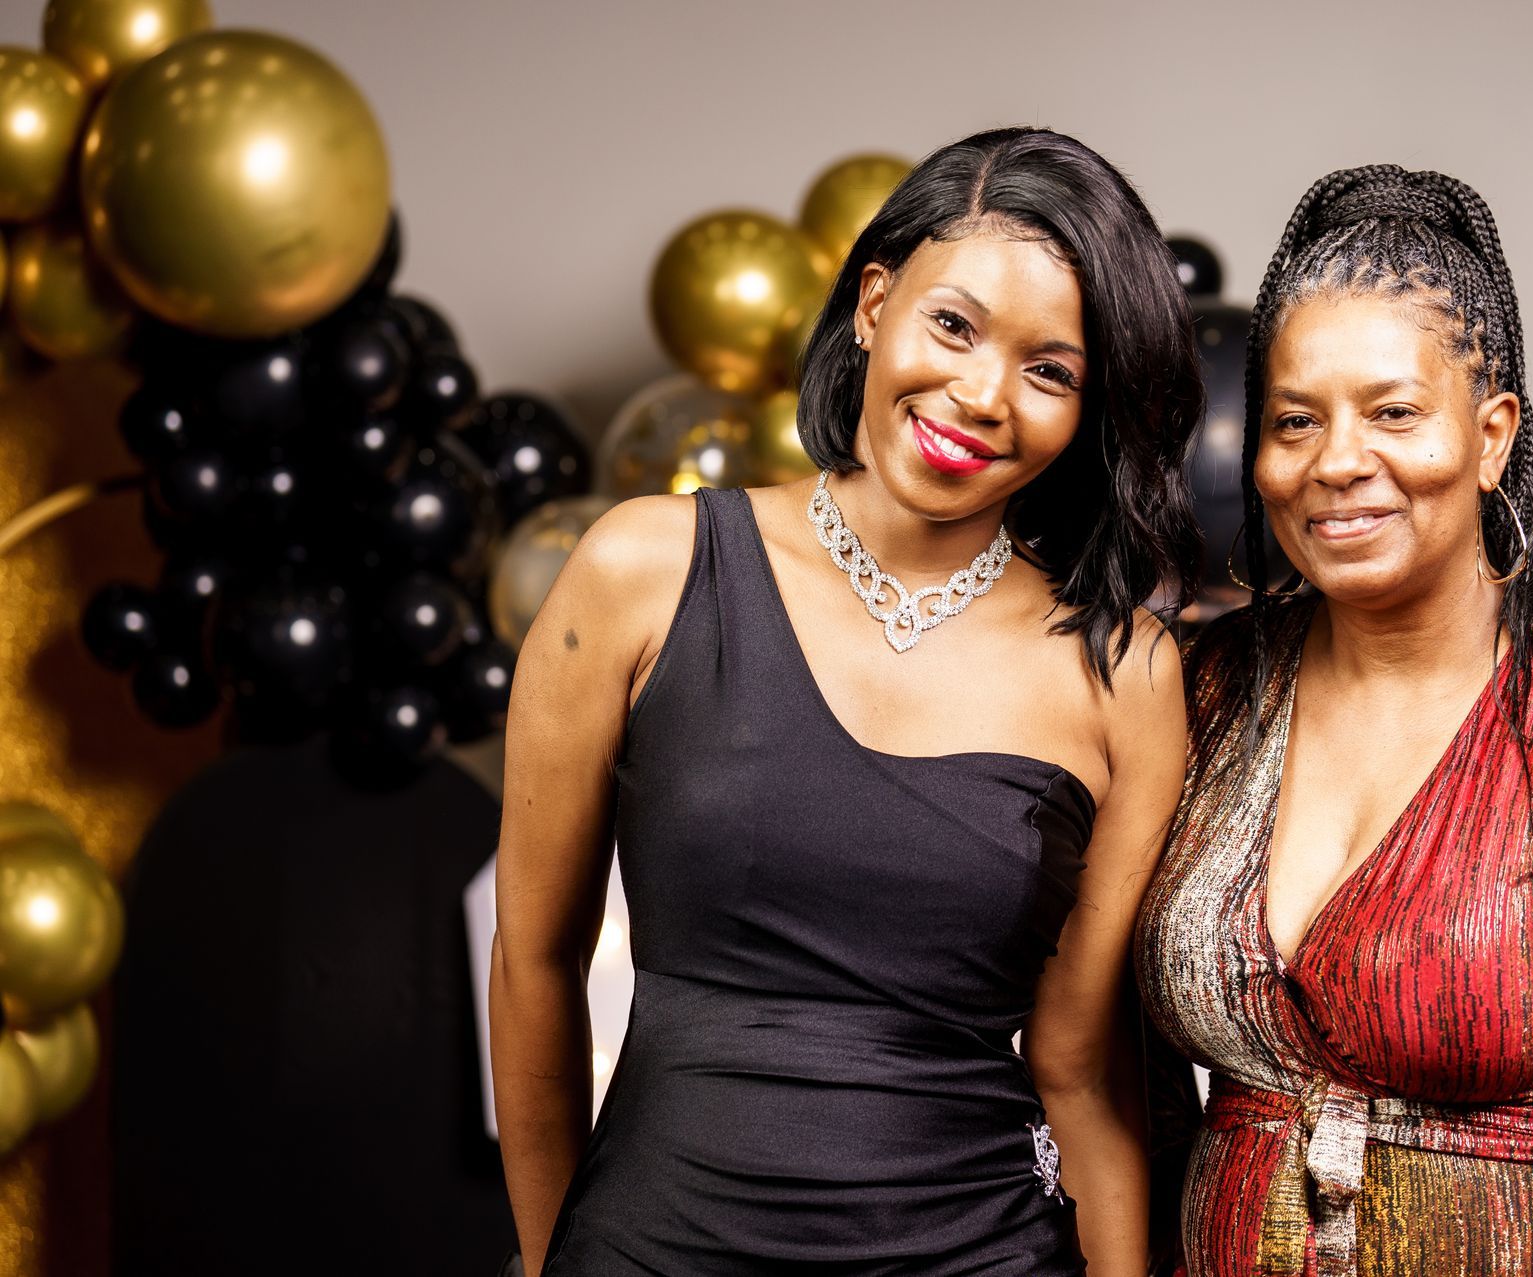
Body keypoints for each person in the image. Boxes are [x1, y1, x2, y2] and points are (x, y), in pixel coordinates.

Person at [491, 127, 1204, 1275]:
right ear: (875, 303)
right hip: (653, 1246)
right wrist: (543, 1256)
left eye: (1051, 369)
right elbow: (534, 959)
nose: (982, 393)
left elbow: (1080, 1067)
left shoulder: (1124, 671)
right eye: (955, 324)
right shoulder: (643, 569)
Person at [1134, 165, 1533, 1276]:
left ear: (1490, 435)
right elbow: (1120, 1075)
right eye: (1296, 420)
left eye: (1393, 411)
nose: (1337, 461)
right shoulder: (1210, 692)